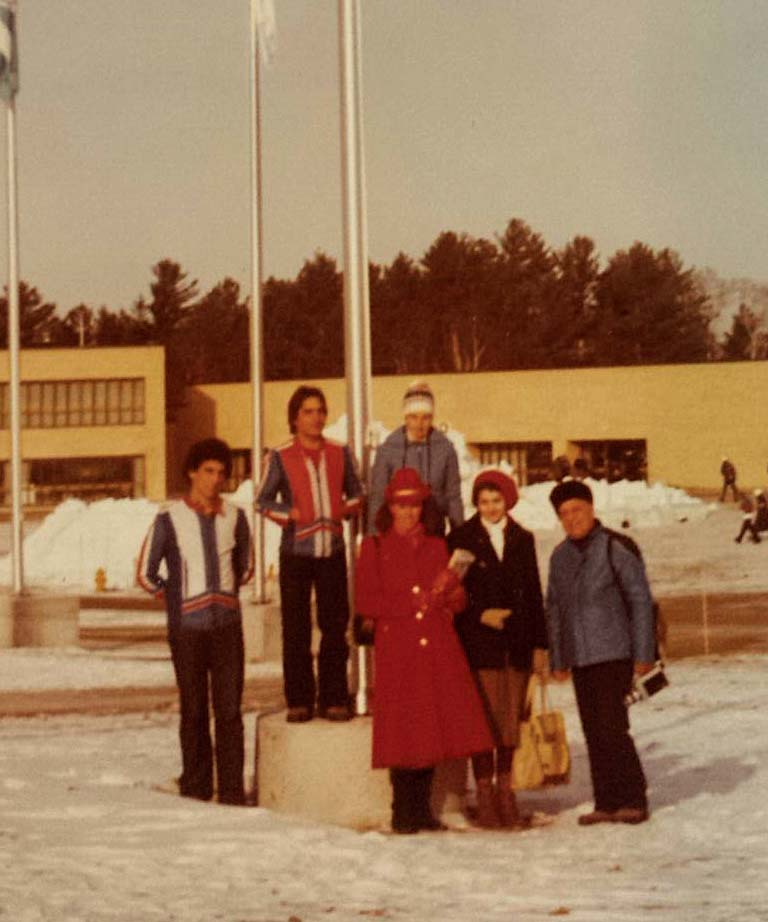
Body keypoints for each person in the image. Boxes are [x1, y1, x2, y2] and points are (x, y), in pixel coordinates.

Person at [355, 468, 494, 834]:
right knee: (403, 728)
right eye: (402, 506)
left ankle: (422, 810)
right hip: (398, 646)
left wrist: (452, 594)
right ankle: (404, 809)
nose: (409, 513)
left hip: (435, 643)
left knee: (430, 725)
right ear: (389, 507)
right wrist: (413, 599)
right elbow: (366, 600)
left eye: (415, 505)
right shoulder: (374, 547)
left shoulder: (437, 545)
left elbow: (458, 601)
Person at [137, 438, 252, 805]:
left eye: (221, 472)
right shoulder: (169, 518)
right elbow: (145, 572)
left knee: (230, 711)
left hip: (227, 628)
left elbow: (245, 566)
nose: (215, 479)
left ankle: (232, 790)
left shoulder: (235, 517)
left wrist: (225, 594)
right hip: (187, 631)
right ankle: (197, 788)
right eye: (208, 471)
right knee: (195, 710)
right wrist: (175, 598)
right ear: (192, 472)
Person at [545, 480, 655, 826]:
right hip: (580, 657)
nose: (571, 519)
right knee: (593, 729)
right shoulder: (560, 557)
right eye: (564, 514)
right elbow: (555, 610)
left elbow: (640, 602)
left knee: (612, 726)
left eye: (577, 510)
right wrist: (559, 659)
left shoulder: (615, 547)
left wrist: (644, 653)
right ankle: (606, 801)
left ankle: (632, 797)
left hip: (614, 652)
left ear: (591, 509)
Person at [447, 470, 549, 828]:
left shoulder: (522, 538)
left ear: (508, 501)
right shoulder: (462, 538)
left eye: (496, 501)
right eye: (483, 502)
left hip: (516, 645)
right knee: (484, 723)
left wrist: (540, 644)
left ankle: (508, 791)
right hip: (481, 646)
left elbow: (534, 593)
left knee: (509, 723)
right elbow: (452, 594)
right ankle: (485, 793)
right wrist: (480, 615)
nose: (490, 508)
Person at [256, 385, 362, 723]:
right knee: (296, 628)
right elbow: (262, 501)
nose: (316, 417)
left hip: (331, 550)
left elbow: (359, 493)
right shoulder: (281, 456)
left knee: (334, 626)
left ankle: (333, 697)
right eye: (308, 411)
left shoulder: (340, 452)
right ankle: (299, 699)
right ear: (294, 418)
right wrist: (291, 514)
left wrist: (341, 508)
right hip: (296, 553)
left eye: (320, 410)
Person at [368, 380, 463, 536]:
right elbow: (378, 496)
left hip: (433, 530)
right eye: (413, 417)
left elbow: (453, 497)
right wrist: (374, 537)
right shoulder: (389, 449)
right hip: (398, 532)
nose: (419, 424)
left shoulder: (445, 449)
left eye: (426, 417)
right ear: (405, 417)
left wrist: (458, 534)